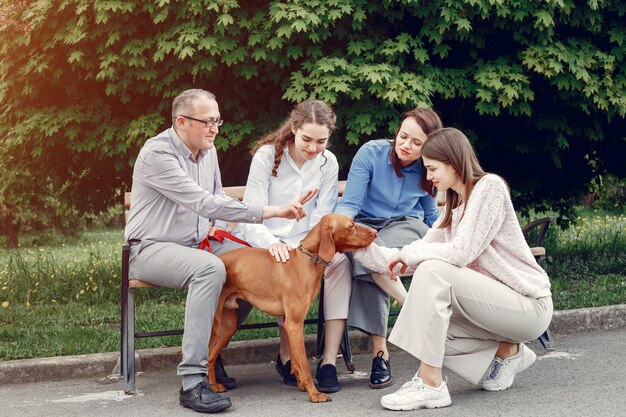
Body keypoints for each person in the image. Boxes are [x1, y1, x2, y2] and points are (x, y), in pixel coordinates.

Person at [124, 89, 313, 414]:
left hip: (199, 242)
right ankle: (193, 381)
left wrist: (213, 224)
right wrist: (273, 210)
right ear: (181, 122)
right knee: (210, 269)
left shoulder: (206, 150)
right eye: (207, 121)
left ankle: (214, 353)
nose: (215, 128)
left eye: (217, 121)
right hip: (150, 250)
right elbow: (201, 200)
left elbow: (214, 202)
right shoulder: (158, 154)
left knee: (259, 261)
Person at [355, 127, 553, 410]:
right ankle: (508, 351)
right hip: (495, 309)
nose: (429, 177)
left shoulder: (490, 187)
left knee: (432, 270)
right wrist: (354, 246)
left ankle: (430, 383)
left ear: (453, 161)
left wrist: (412, 254)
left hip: (528, 306)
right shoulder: (453, 209)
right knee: (428, 325)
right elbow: (405, 258)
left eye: (433, 168)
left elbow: (461, 253)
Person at [233, 99, 351, 393]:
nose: (313, 148)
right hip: (266, 239)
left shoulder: (328, 162)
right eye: (307, 139)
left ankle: (327, 362)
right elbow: (251, 213)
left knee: (339, 265)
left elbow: (323, 218)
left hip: (307, 243)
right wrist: (273, 243)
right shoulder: (266, 156)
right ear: (294, 128)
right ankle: (287, 357)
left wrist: (306, 252)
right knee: (286, 266)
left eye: (321, 141)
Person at [335, 108, 443, 389]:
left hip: (405, 226)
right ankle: (406, 313)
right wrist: (342, 227)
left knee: (369, 258)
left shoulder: (429, 168)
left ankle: (380, 355)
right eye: (403, 136)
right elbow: (350, 203)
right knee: (366, 252)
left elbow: (430, 215)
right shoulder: (371, 153)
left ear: (428, 146)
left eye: (416, 143)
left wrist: (445, 242)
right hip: (367, 225)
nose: (406, 145)